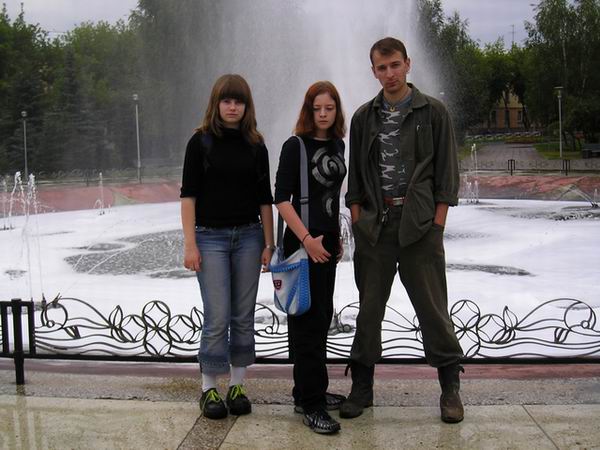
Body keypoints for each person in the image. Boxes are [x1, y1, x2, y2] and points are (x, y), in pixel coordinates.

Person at [341, 37, 465, 423]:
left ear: (408, 64)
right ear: (373, 72)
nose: (390, 73)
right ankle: (362, 389)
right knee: (369, 311)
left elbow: (447, 175)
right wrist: (358, 221)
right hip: (375, 229)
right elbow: (355, 180)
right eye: (382, 67)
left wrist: (437, 226)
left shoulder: (433, 112)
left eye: (395, 65)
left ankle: (450, 390)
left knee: (433, 310)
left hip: (420, 227)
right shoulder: (363, 117)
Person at [180, 74, 274, 420]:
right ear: (216, 104)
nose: (233, 107)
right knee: (217, 315)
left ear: (247, 106)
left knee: (243, 315)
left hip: (249, 237)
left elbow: (265, 199)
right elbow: (188, 196)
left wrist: (269, 243)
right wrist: (190, 244)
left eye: (239, 102)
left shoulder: (256, 145)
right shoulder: (200, 142)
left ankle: (237, 385)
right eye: (227, 101)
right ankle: (208, 388)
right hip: (210, 238)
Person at [274, 81, 347, 434]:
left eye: (329, 108)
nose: (322, 114)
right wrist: (307, 240)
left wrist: (335, 236)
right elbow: (281, 198)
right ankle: (312, 406)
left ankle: (305, 392)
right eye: (316, 108)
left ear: (336, 111)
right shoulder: (295, 146)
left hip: (326, 241)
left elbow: (331, 196)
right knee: (306, 322)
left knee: (320, 318)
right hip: (303, 243)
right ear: (308, 110)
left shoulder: (337, 145)